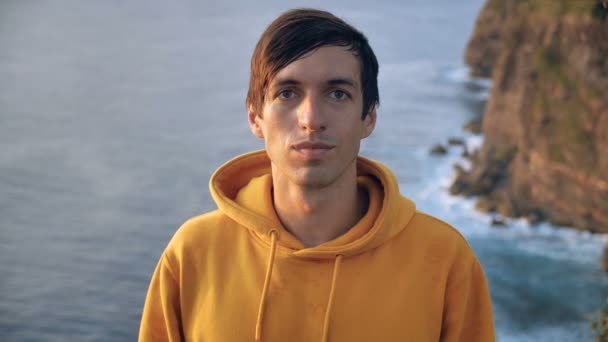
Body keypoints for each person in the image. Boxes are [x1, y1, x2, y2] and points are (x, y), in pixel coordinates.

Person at [139, 8, 495, 342]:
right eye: (287, 93)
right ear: (255, 117)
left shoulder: (444, 259)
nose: (311, 118)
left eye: (337, 93)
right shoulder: (193, 254)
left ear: (369, 117)